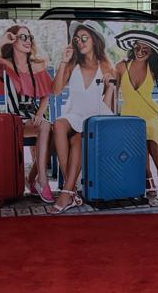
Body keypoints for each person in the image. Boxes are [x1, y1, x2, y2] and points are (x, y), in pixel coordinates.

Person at [0, 24, 55, 203]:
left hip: (33, 117)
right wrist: (2, 40)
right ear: (13, 40)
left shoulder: (37, 65)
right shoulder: (5, 65)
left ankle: (37, 179)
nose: (28, 41)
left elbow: (46, 95)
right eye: (22, 37)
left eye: (29, 37)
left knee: (51, 129)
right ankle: (39, 181)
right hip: (13, 119)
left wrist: (40, 114)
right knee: (47, 128)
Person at [50, 21, 117, 213]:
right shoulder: (72, 64)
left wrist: (111, 87)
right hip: (75, 113)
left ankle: (67, 192)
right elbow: (55, 91)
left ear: (94, 40)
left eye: (84, 37)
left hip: (95, 117)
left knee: (78, 139)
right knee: (59, 124)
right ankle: (70, 190)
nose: (80, 41)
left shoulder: (106, 66)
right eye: (77, 39)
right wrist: (63, 61)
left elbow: (109, 106)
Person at [114, 31, 158, 196]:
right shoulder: (121, 66)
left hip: (150, 113)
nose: (140, 52)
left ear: (152, 53)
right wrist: (114, 116)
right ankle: (148, 176)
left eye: (145, 50)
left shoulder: (153, 69)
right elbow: (113, 93)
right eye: (137, 47)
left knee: (150, 127)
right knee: (140, 130)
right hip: (129, 115)